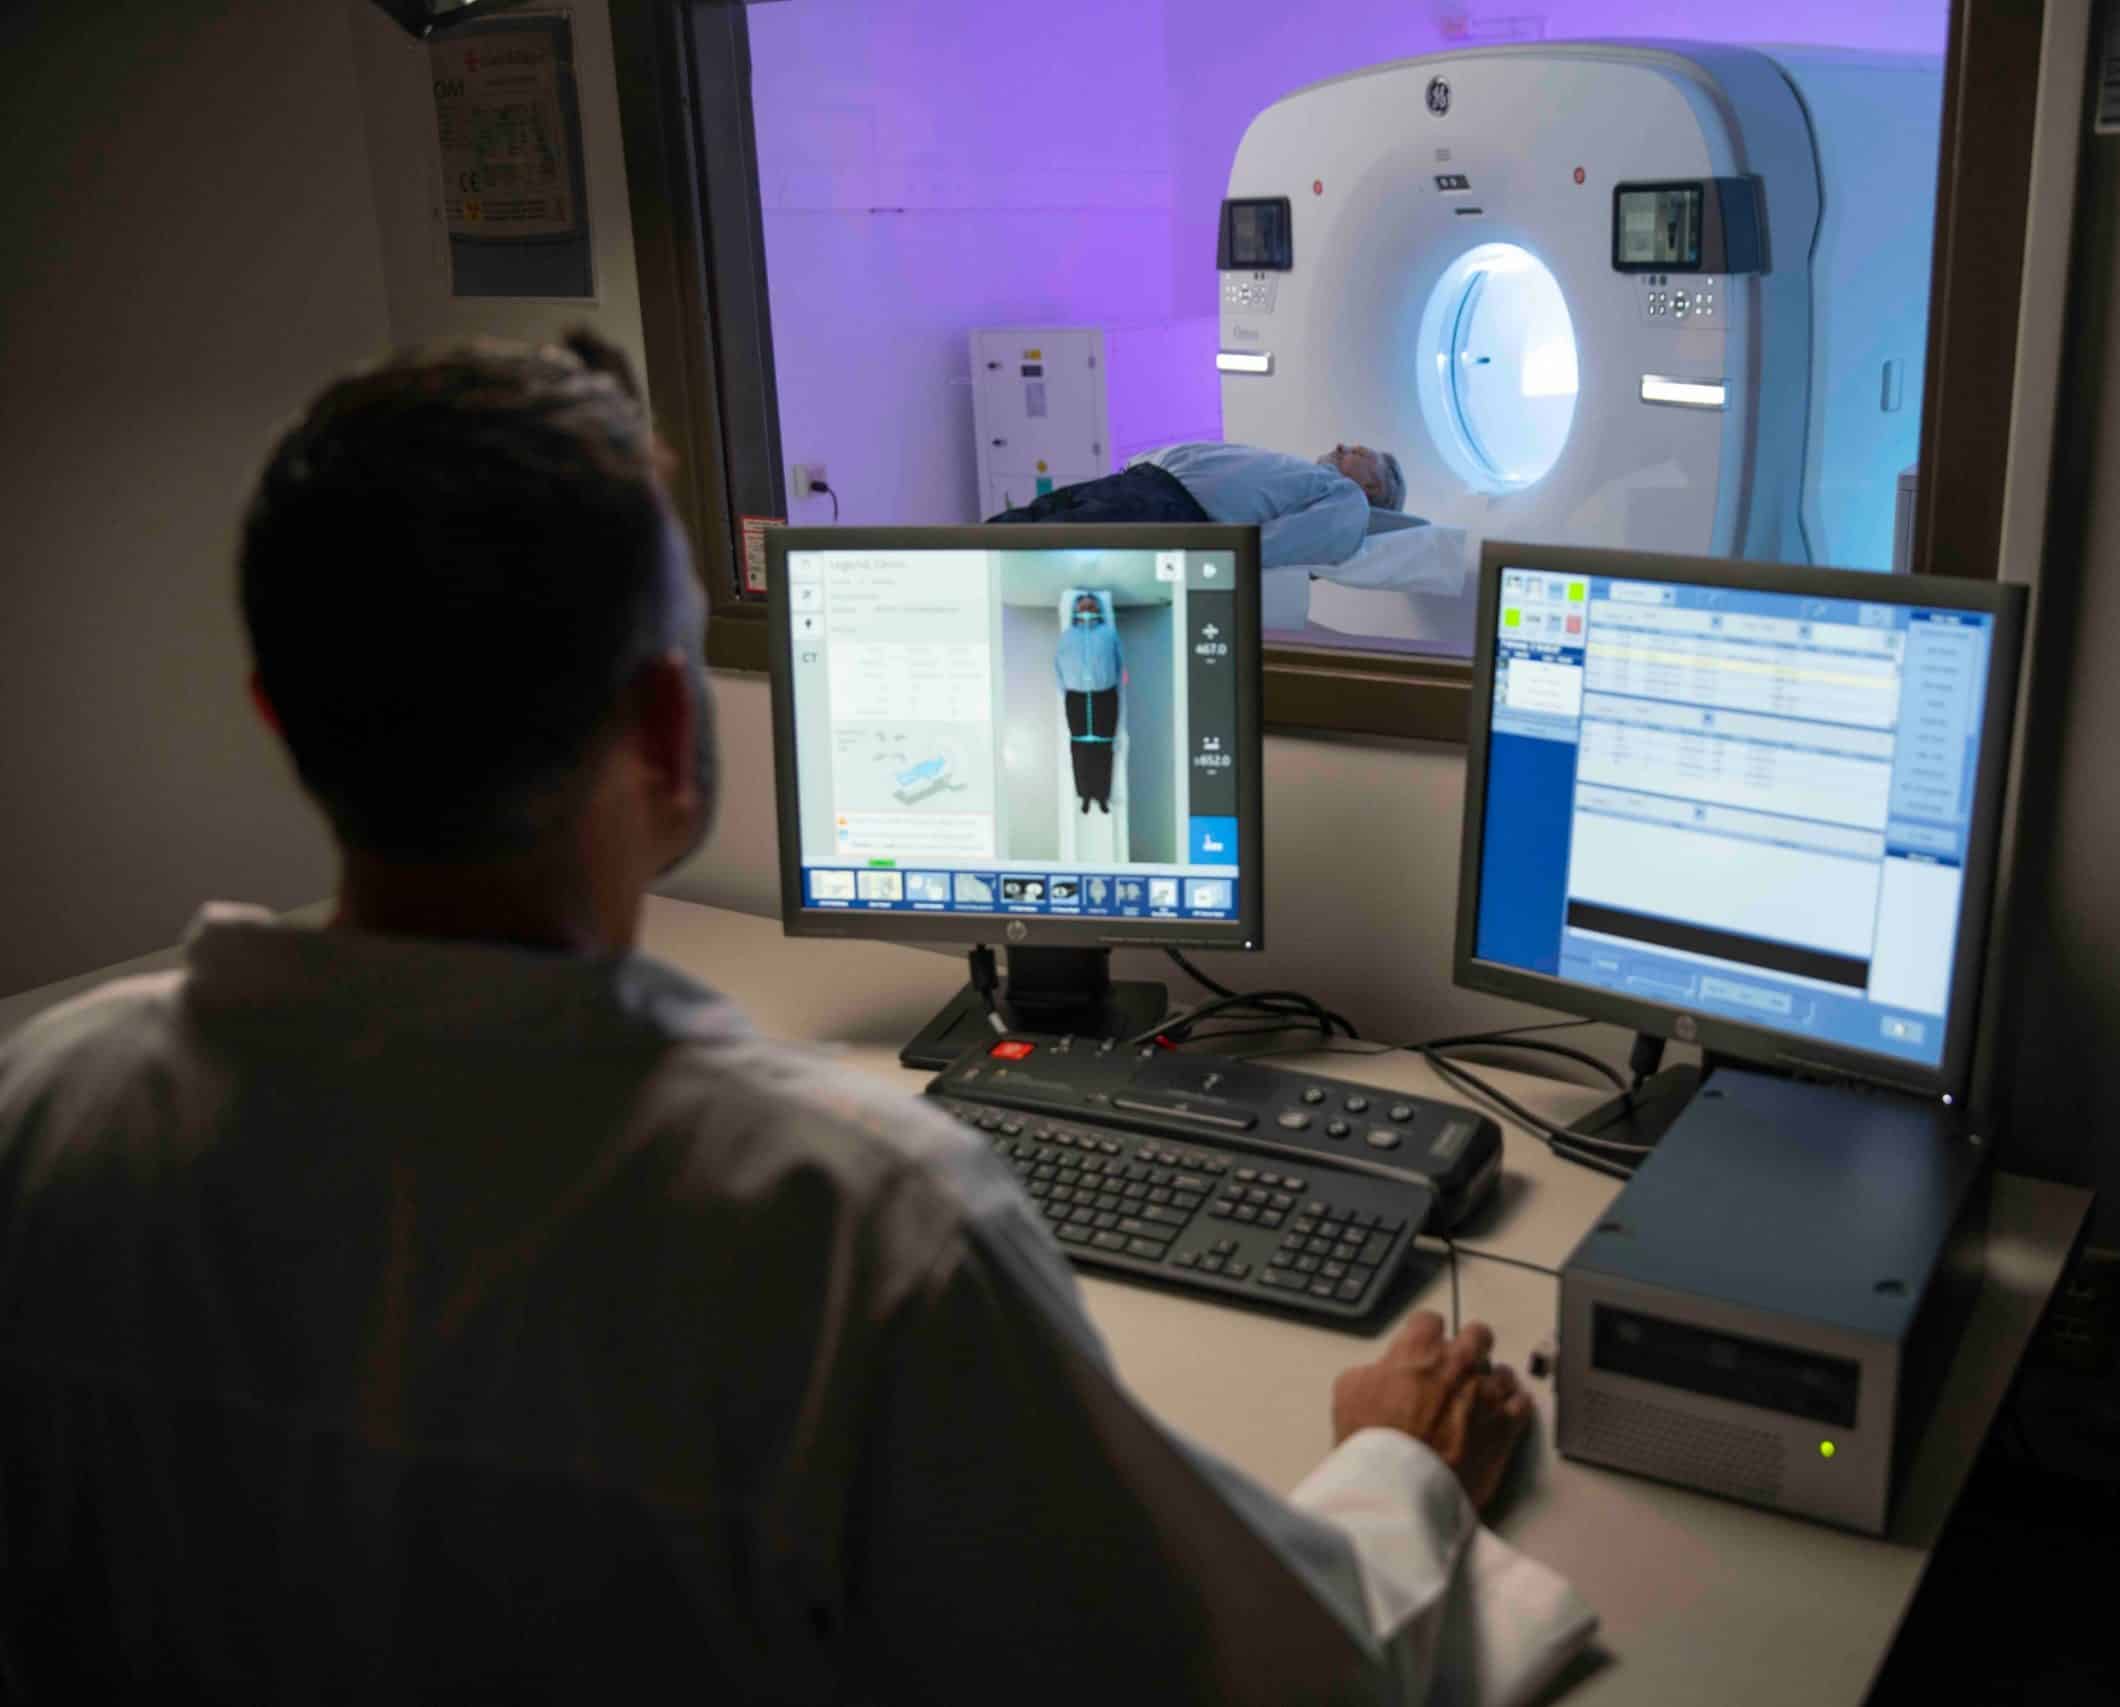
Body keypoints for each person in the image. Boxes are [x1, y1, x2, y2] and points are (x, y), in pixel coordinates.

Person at [0, 335, 1593, 1702]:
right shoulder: (849, 1220)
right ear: (671, 730)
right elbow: (1277, 1674)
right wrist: (1402, 1466)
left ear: (278, 715)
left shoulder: (48, 1115)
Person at [989, 440, 1408, 569]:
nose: (1342, 445)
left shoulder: (1349, 501)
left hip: (1169, 505)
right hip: (1141, 483)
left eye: (1359, 452)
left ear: (1371, 487)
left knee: (1038, 540)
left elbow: (1286, 542)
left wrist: (1215, 558)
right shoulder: (1303, 476)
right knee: (1025, 521)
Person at [1056, 587, 1123, 813]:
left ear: (1098, 608)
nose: (1087, 608)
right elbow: (1057, 666)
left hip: (1105, 695)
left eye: (1091, 605)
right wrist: (1067, 690)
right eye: (1083, 604)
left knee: (1103, 746)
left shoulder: (1108, 634)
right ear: (1076, 609)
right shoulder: (1067, 636)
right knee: (1080, 747)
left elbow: (1119, 664)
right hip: (1076, 696)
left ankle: (1102, 795)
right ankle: (1084, 794)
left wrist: (1113, 684)